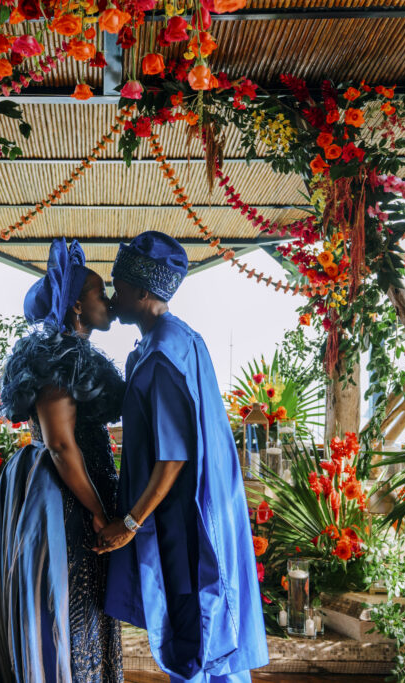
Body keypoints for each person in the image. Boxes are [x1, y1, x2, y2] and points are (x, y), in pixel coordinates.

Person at [95, 231, 268, 683]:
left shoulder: (161, 357)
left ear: (142, 291)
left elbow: (172, 459)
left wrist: (129, 524)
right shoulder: (175, 340)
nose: (113, 295)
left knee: (195, 629)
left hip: (183, 517)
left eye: (117, 284)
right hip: (197, 506)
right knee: (203, 630)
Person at [0, 238, 125, 683]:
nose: (107, 300)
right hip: (61, 500)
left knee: (83, 607)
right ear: (75, 308)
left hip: (77, 495)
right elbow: (62, 446)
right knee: (62, 606)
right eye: (97, 293)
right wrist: (101, 513)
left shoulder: (76, 355)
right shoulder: (55, 358)